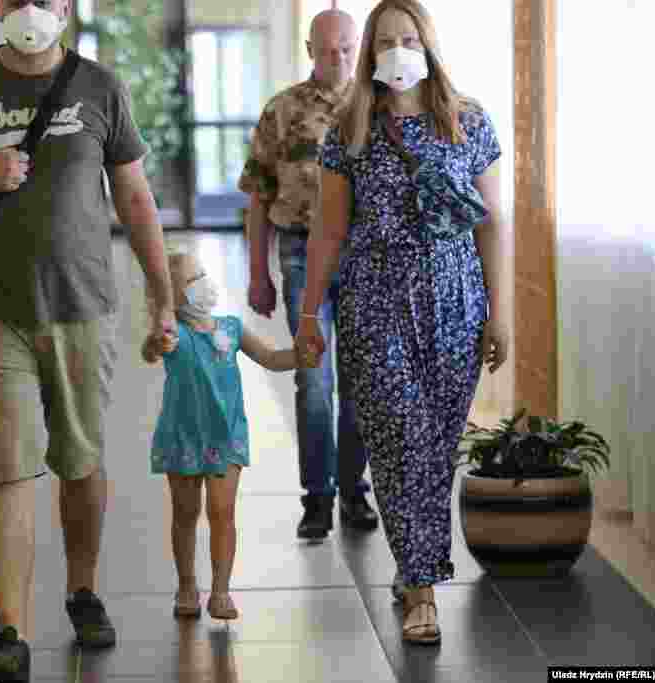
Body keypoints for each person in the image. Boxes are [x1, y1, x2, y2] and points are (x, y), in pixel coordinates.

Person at [0, 1, 177, 680]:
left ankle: (82, 589)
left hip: (83, 306)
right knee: (8, 470)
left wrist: (162, 290)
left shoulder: (98, 87)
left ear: (65, 7)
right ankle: (10, 633)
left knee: (80, 464)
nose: (30, 7)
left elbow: (135, 198)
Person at [294, 0, 509, 645]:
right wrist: (310, 310)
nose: (396, 50)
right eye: (384, 40)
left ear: (428, 43)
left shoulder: (469, 121)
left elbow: (492, 224)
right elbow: (329, 229)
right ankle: (421, 591)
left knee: (435, 449)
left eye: (407, 38)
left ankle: (411, 559)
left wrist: (502, 314)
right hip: (375, 302)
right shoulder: (351, 128)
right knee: (401, 441)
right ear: (369, 53)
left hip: (455, 304)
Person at [239, 8, 377, 541]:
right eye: (327, 50)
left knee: (360, 381)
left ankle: (353, 491)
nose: (338, 59)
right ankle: (316, 496)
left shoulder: (376, 104)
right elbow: (257, 196)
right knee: (313, 380)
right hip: (299, 251)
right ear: (309, 48)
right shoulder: (283, 110)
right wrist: (258, 272)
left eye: (346, 49)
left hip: (366, 254)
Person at [142, 252, 298, 621]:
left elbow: (271, 357)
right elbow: (151, 350)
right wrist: (156, 341)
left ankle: (221, 591)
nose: (203, 284)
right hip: (182, 436)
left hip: (226, 436)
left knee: (222, 513)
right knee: (184, 513)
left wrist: (300, 355)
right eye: (191, 280)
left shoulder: (231, 327)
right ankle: (185, 585)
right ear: (173, 296)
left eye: (203, 275)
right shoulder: (173, 334)